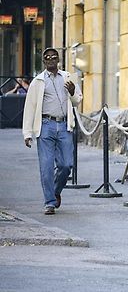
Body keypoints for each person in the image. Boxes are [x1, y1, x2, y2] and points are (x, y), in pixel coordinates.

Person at [22, 47, 83, 215]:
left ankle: (55, 191)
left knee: (66, 165)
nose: (50, 60)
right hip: (46, 125)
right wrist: (27, 133)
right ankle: (49, 202)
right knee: (47, 166)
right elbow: (30, 108)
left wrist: (72, 92)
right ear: (44, 61)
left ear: (58, 60)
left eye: (53, 57)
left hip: (64, 125)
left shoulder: (68, 77)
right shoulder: (38, 81)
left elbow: (77, 101)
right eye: (47, 58)